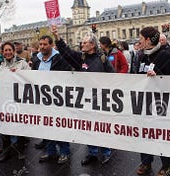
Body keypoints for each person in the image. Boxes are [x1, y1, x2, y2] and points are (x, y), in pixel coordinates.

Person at [51, 25, 115, 165]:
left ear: (92, 45)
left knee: (101, 127)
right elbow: (66, 52)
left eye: (85, 42)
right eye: (82, 42)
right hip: (85, 100)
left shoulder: (102, 58)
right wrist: (57, 37)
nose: (82, 44)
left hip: (101, 100)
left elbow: (113, 78)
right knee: (88, 127)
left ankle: (106, 152)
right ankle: (92, 153)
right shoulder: (80, 58)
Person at [134, 26, 170, 176]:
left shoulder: (167, 54)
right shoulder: (140, 55)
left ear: (148, 40)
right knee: (144, 133)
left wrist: (158, 75)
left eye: (141, 39)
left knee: (162, 134)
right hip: (144, 102)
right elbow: (135, 74)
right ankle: (146, 162)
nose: (139, 42)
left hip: (162, 103)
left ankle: (166, 165)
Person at [30, 35, 72, 164]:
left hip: (58, 100)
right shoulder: (36, 60)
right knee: (46, 125)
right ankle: (50, 151)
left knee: (59, 125)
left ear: (51, 45)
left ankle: (64, 152)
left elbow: (68, 75)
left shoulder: (59, 58)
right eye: (40, 44)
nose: (42, 47)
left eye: (45, 44)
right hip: (42, 100)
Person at [0, 42, 31, 162]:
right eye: (5, 50)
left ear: (13, 51)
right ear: (2, 52)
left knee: (19, 124)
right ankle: (6, 151)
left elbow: (30, 78)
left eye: (9, 50)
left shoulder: (22, 62)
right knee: (5, 124)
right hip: (4, 100)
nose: (7, 52)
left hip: (19, 100)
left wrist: (19, 74)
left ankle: (20, 150)